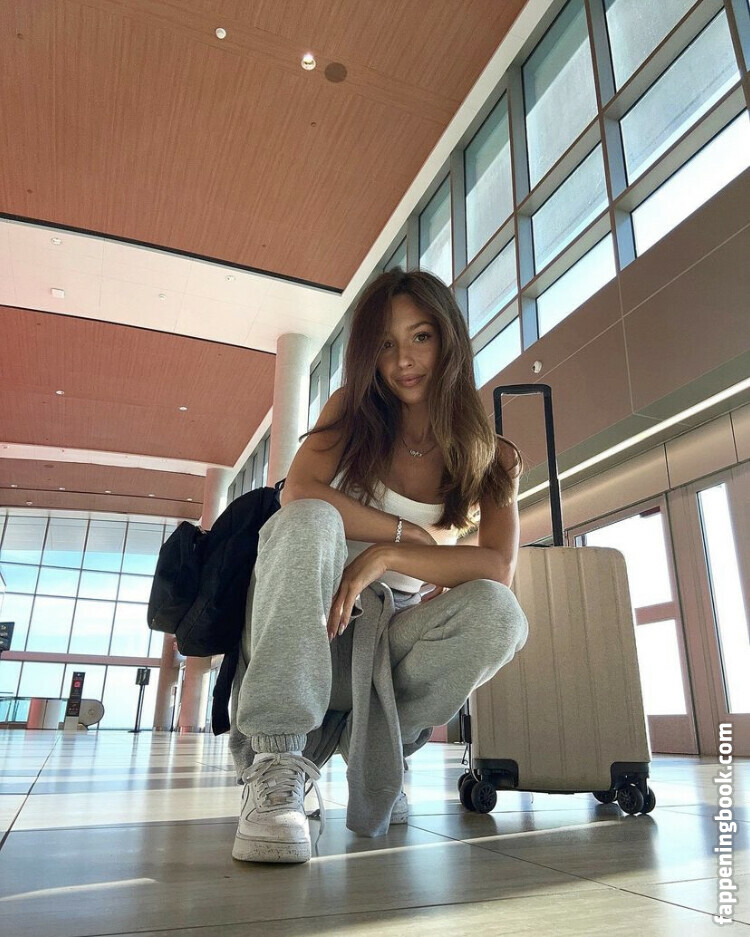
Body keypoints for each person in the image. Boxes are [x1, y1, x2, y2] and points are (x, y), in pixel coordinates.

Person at [228, 267, 529, 863]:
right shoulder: (353, 410)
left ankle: (380, 748)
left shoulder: (492, 456)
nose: (404, 360)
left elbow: (497, 567)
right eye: (386, 344)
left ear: (448, 340)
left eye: (421, 337)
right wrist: (405, 531)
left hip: (392, 639)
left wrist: (390, 555)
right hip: (311, 627)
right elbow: (299, 491)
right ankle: (277, 764)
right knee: (310, 519)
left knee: (500, 614)